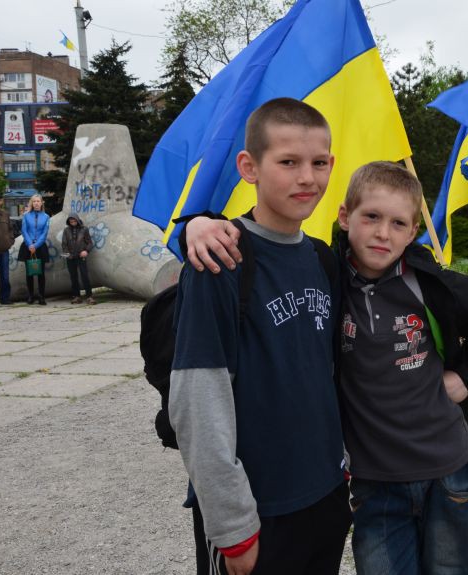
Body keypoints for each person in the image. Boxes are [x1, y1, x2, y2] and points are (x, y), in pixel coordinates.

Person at [185, 162, 468, 575]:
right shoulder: (328, 273)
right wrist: (198, 224)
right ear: (346, 217)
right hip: (373, 481)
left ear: (413, 231)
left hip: (446, 471)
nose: (383, 233)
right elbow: (269, 236)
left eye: (399, 223)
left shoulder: (427, 281)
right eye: (372, 217)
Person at [170, 97, 351, 575]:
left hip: (326, 496)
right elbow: (197, 398)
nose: (306, 178)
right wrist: (233, 527)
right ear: (249, 167)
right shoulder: (220, 260)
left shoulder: (323, 259)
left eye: (317, 163)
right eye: (288, 162)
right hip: (257, 513)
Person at [18, 194, 51, 304]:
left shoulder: (46, 217)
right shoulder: (26, 216)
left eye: (38, 201)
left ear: (42, 203)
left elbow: (44, 233)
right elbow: (24, 231)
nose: (36, 203)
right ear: (31, 203)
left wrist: (36, 245)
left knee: (41, 273)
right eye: (34, 201)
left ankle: (41, 296)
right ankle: (31, 296)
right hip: (28, 246)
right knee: (29, 273)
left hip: (40, 247)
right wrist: (30, 244)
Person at [61, 213, 95, 304]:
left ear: (77, 220)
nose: (73, 222)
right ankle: (76, 296)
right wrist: (68, 254)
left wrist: (86, 251)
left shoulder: (84, 229)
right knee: (73, 277)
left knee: (85, 276)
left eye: (74, 220)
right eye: (71, 221)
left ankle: (89, 296)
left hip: (81, 256)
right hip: (71, 257)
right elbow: (64, 244)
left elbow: (90, 243)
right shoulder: (66, 230)